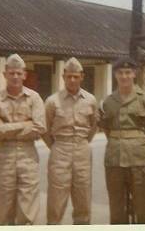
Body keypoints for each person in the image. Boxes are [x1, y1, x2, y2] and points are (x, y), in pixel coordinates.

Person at [100, 57, 145, 224]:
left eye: (128, 72)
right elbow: (107, 128)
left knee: (142, 206)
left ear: (134, 74)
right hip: (114, 160)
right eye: (120, 73)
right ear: (115, 75)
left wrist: (139, 144)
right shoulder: (109, 101)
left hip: (139, 161)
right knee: (117, 207)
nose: (124, 76)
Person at [0, 53, 46, 225]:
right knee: (4, 207)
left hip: (28, 155)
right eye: (11, 73)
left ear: (24, 75)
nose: (15, 77)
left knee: (27, 209)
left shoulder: (34, 98)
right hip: (4, 156)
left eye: (19, 73)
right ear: (5, 74)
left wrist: (6, 128)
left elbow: (40, 127)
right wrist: (24, 124)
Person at [42, 57, 98, 224]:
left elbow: (93, 127)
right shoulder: (52, 101)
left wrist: (82, 142)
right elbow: (45, 129)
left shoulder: (90, 100)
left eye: (76, 76)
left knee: (83, 196)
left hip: (82, 148)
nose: (72, 80)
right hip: (60, 149)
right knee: (56, 198)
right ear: (63, 76)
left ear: (82, 76)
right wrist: (57, 146)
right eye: (69, 76)